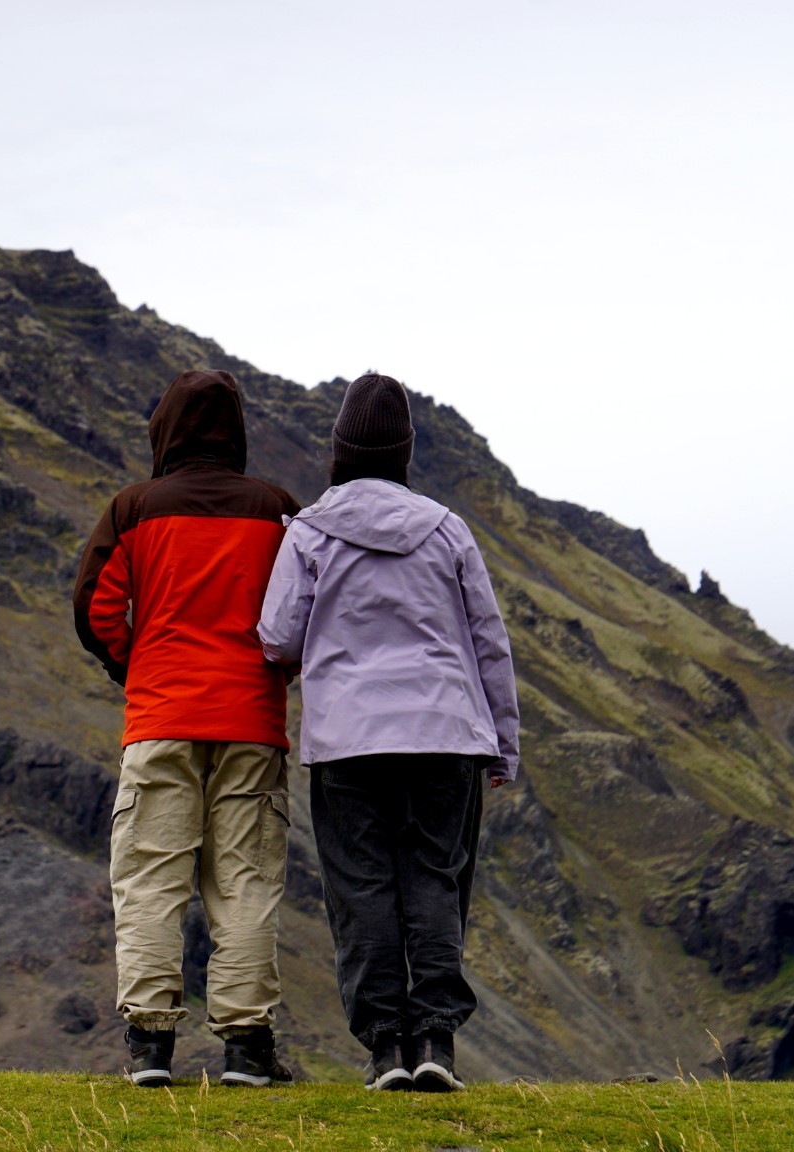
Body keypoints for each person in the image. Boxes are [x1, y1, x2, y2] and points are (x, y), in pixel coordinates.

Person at [256, 372, 519, 1093]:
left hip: (348, 742)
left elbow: (278, 639)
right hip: (446, 735)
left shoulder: (309, 532)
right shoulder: (448, 530)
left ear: (339, 449)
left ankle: (384, 1052)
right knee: (434, 881)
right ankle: (436, 1041)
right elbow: (488, 641)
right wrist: (504, 741)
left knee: (363, 888)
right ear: (404, 451)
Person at [72, 368, 301, 1088]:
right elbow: (301, 610)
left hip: (162, 718)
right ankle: (246, 1048)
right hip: (251, 723)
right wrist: (275, 673)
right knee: (245, 880)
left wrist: (132, 667)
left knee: (150, 879)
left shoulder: (134, 510)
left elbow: (95, 609)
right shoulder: (276, 510)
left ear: (163, 429)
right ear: (236, 430)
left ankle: (149, 1047)